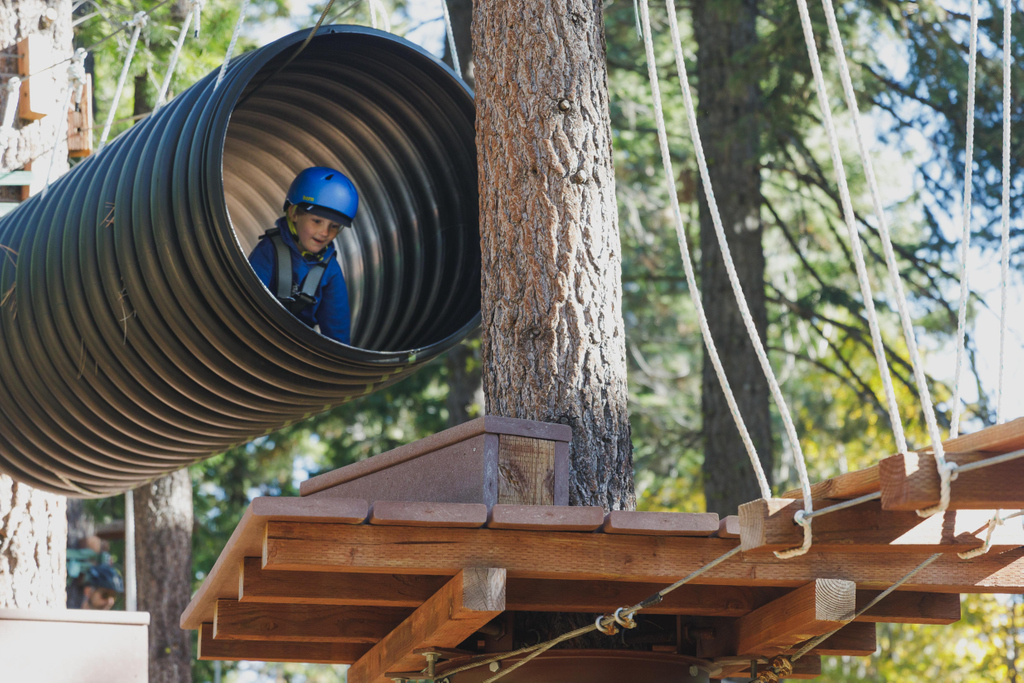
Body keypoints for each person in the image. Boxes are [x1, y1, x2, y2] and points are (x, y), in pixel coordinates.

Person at [248, 166, 357, 344]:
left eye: (334, 226)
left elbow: (337, 331)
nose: (324, 232)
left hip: (297, 350)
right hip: (257, 339)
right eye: (316, 221)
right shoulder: (269, 251)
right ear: (294, 213)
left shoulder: (330, 270)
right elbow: (247, 302)